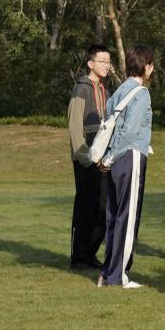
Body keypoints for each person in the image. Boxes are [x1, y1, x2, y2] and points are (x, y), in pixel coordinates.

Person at [96, 47, 157, 289]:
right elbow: (130, 130)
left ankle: (107, 272)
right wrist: (112, 157)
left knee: (114, 217)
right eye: (151, 64)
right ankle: (118, 276)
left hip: (115, 161)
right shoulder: (141, 93)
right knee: (127, 217)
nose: (152, 69)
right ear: (145, 66)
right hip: (129, 157)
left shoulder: (119, 91)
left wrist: (108, 158)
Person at [66, 43, 113, 271]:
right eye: (102, 61)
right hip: (86, 162)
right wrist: (85, 158)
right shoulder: (81, 89)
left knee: (102, 209)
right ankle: (79, 257)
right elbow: (75, 128)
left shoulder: (106, 91)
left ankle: (91, 253)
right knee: (85, 209)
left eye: (108, 61)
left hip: (103, 162)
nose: (106, 65)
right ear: (90, 63)